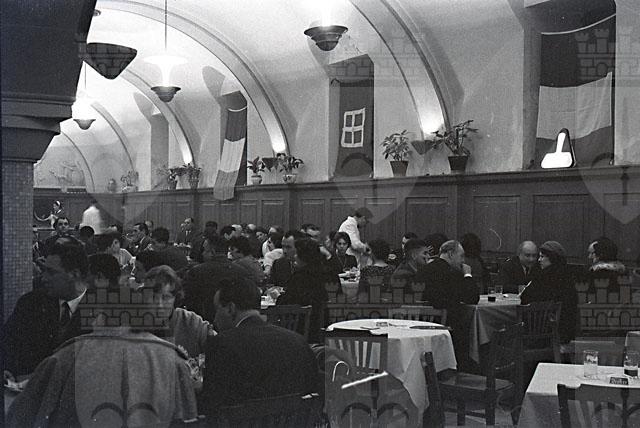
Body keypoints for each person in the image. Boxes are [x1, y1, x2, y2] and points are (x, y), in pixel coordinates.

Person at [7, 281, 199, 427]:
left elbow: (20, 417)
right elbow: (187, 419)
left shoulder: (66, 356)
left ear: (101, 316)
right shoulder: (173, 359)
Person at [201, 276, 318, 415]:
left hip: (244, 422)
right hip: (295, 421)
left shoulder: (222, 344)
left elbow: (212, 404)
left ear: (231, 309)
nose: (215, 318)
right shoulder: (297, 341)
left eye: (216, 309)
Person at [2, 240, 89, 377]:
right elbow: (7, 344)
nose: (44, 278)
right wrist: (7, 370)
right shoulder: (31, 303)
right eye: (44, 271)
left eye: (51, 272)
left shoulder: (101, 312)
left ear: (74, 274)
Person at [418, 240, 480, 369]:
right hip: (447, 329)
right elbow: (472, 298)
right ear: (451, 254)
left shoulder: (423, 269)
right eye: (461, 256)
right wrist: (467, 274)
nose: (463, 261)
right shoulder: (453, 273)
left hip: (421, 325)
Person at [143, 265, 214, 359]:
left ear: (176, 298)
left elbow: (218, 346)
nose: (159, 305)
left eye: (166, 297)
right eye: (153, 297)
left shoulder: (192, 323)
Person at [277, 238, 335, 342]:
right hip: (328, 326)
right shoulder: (329, 273)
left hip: (302, 330)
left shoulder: (300, 277)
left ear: (303, 257)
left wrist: (278, 297)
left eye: (297, 254)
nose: (295, 256)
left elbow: (285, 305)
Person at [520, 241, 578, 343]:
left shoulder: (542, 278)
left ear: (552, 258)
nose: (539, 260)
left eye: (542, 257)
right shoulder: (569, 278)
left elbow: (524, 298)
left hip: (536, 335)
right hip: (563, 333)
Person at [183, 234, 250, 322]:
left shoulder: (196, 272)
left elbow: (189, 302)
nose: (202, 253)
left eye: (204, 250)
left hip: (202, 322)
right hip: (234, 323)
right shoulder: (242, 272)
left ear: (213, 252)